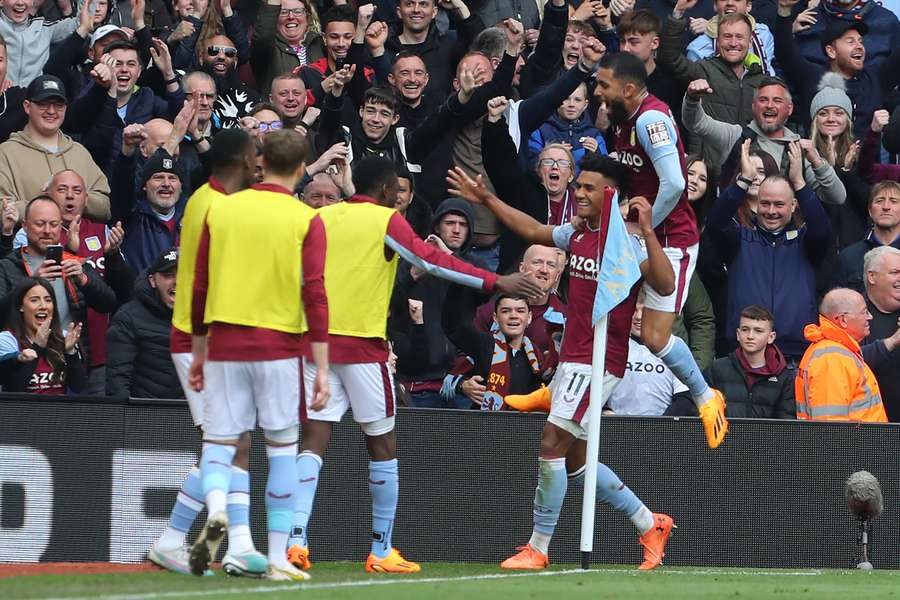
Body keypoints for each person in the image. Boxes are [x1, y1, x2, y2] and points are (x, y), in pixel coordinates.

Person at [287, 155, 541, 573]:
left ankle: (296, 539)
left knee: (314, 441)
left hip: (315, 344)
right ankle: (382, 548)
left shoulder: (322, 218)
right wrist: (497, 281)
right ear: (387, 190)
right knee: (382, 444)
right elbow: (429, 259)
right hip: (365, 348)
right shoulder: (386, 220)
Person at [446, 154, 677, 571]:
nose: (579, 193)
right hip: (574, 359)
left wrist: (647, 230)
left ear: (610, 193)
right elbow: (534, 229)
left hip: (598, 361)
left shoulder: (625, 245)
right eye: (579, 186)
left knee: (551, 444)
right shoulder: (578, 234)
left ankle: (538, 546)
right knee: (576, 461)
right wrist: (487, 198)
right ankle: (649, 521)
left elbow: (664, 283)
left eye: (588, 187)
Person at [187, 128, 328, 582]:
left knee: (220, 442)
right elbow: (315, 294)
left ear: (261, 161)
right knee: (282, 449)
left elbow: (200, 283)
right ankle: (277, 556)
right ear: (304, 168)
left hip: (225, 341)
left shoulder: (222, 210)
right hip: (279, 347)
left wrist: (199, 349)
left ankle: (214, 510)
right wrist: (322, 367)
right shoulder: (307, 219)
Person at [595, 52, 728, 447]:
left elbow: (674, 182)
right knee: (605, 319)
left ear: (629, 89)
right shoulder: (623, 118)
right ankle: (566, 393)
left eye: (604, 85)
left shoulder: (651, 120)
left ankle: (705, 396)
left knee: (653, 337)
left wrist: (644, 223)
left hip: (671, 242)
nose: (598, 92)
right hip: (637, 235)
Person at [151, 129, 265, 578]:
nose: (261, 160)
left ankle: (184, 541)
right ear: (240, 158)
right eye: (256, 153)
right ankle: (230, 544)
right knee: (228, 441)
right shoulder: (216, 206)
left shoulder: (207, 198)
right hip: (202, 338)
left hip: (207, 336)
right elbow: (209, 280)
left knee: (232, 441)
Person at [707, 141, 831, 362]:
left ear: (793, 206)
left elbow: (822, 229)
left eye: (779, 204)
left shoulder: (805, 243)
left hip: (796, 353)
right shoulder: (740, 239)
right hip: (744, 353)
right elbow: (716, 222)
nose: (771, 211)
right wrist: (743, 180)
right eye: (765, 204)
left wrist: (799, 182)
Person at [682, 76, 846, 206]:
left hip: (784, 240)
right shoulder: (735, 136)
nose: (769, 105)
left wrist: (816, 161)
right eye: (763, 100)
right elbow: (696, 122)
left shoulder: (799, 149)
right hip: (737, 234)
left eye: (777, 100)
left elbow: (837, 197)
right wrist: (692, 98)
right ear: (753, 106)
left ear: (789, 109)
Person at [0, 197, 116, 363]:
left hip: (70, 359)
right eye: (40, 224)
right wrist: (31, 284)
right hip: (23, 360)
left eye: (54, 224)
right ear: (25, 226)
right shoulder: (7, 266)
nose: (47, 231)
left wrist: (84, 280)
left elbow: (108, 304)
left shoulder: (73, 261)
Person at [0, 75, 111, 223]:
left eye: (59, 105)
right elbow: (4, 210)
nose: (51, 111)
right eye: (43, 104)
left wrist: (77, 198)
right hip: (25, 244)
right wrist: (47, 201)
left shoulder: (79, 152)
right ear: (27, 106)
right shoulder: (6, 153)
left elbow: (105, 208)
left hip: (78, 243)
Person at [795, 288, 888, 422]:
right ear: (843, 319)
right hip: (855, 443)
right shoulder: (832, 359)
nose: (870, 317)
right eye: (864, 312)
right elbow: (830, 426)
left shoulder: (835, 352)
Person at [443, 292, 544, 410]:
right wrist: (461, 384)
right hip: (485, 424)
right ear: (495, 318)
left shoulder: (536, 356)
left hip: (525, 424)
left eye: (520, 311)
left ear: (529, 317)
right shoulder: (483, 343)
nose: (513, 315)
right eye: (506, 311)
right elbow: (454, 325)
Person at [106, 249, 181, 398]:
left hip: (192, 417)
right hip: (144, 415)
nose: (177, 281)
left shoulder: (203, 317)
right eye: (168, 275)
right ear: (152, 280)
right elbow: (117, 382)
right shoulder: (128, 317)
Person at [701, 305, 795, 419]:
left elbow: (786, 423)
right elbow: (701, 411)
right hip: (725, 436)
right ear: (738, 334)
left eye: (758, 331)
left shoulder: (783, 377)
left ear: (771, 337)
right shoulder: (716, 369)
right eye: (745, 330)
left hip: (766, 437)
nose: (750, 336)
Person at [606, 294, 690, 416]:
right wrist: (604, 412)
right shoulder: (610, 346)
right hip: (614, 428)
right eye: (633, 310)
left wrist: (657, 427)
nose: (638, 317)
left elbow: (685, 399)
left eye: (645, 311)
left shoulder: (673, 346)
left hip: (661, 431)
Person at [0, 277, 85, 393]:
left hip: (59, 410)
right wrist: (37, 347)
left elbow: (79, 388)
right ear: (20, 306)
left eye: (48, 300)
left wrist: (70, 353)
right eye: (34, 300)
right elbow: (14, 390)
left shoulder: (64, 337)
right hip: (22, 410)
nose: (43, 306)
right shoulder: (7, 339)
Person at [834, 182, 900, 293]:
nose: (886, 207)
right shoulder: (848, 258)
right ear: (870, 211)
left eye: (894, 201)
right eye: (879, 201)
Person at [251, 0, 325, 96]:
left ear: (308, 17)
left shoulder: (320, 43)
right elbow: (264, 36)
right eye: (283, 12)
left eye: (297, 11)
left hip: (322, 109)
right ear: (275, 18)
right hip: (280, 110)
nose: (291, 17)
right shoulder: (267, 49)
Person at [684, 0, 775, 75]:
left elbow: (769, 73)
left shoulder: (764, 33)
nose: (730, 3)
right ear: (715, 5)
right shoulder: (697, 49)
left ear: (748, 6)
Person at [861, 246, 900, 421]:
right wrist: (893, 341)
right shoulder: (851, 314)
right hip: (868, 426)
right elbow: (847, 362)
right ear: (872, 276)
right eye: (895, 272)